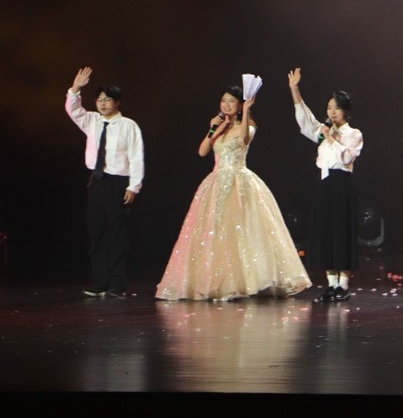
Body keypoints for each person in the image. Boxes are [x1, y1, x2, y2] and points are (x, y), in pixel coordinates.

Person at [156, 85, 311, 301]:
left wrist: (246, 112)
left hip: (238, 181)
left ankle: (244, 281)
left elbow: (245, 138)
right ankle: (214, 281)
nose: (226, 105)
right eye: (223, 101)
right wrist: (212, 129)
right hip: (216, 182)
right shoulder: (219, 127)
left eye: (231, 101)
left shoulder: (248, 126)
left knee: (240, 230)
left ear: (240, 105)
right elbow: (202, 151)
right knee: (214, 232)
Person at [64, 67, 144, 298]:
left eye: (107, 100)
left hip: (118, 182)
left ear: (117, 102)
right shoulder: (92, 120)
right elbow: (73, 109)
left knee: (116, 233)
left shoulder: (128, 125)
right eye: (99, 99)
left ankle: (117, 284)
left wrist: (134, 186)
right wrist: (76, 88)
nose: (102, 103)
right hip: (97, 180)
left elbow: (136, 156)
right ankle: (100, 282)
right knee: (97, 230)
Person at [289, 68, 362, 303]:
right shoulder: (322, 130)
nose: (331, 112)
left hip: (342, 184)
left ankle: (343, 286)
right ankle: (331, 285)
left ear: (345, 111)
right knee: (327, 233)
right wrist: (294, 89)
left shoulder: (353, 134)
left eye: (336, 108)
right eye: (329, 108)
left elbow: (347, 157)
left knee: (341, 233)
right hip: (325, 184)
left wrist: (330, 137)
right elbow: (305, 120)